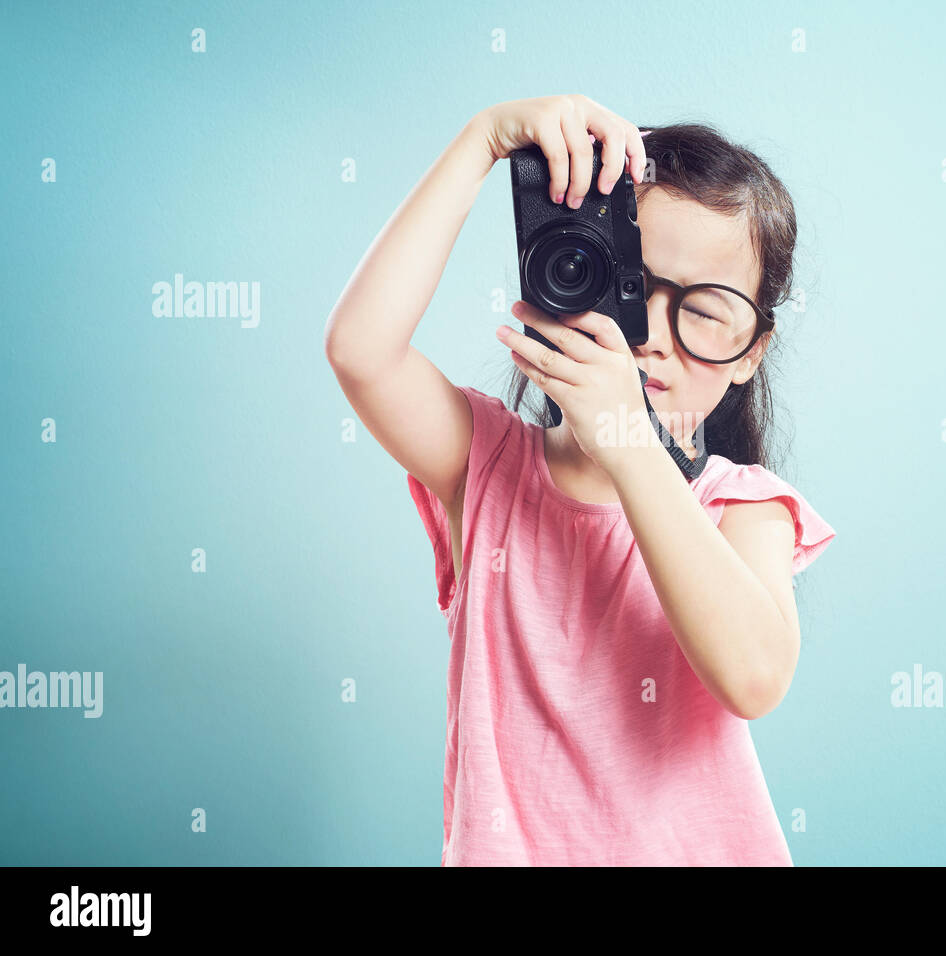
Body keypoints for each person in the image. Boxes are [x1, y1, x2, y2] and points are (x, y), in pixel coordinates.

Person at [324, 94, 836, 866]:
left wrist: (632, 445)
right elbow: (361, 350)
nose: (654, 340)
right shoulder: (485, 470)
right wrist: (484, 139)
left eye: (706, 312)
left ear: (751, 352)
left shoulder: (741, 508)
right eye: (630, 287)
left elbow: (755, 679)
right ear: (569, 273)